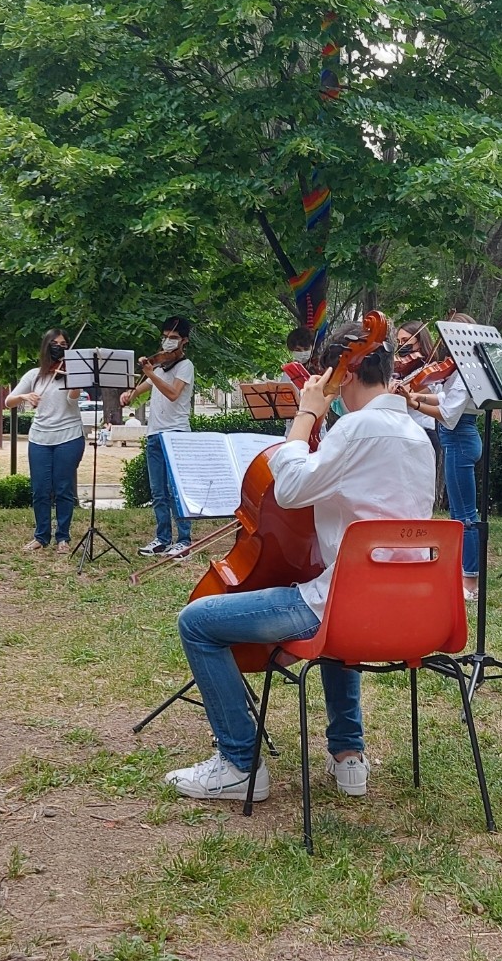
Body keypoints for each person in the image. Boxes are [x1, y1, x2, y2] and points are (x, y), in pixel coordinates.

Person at [164, 319, 435, 803]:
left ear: (343, 374)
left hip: (347, 613)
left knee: (197, 622)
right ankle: (348, 756)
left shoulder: (356, 430)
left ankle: (239, 764)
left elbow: (288, 490)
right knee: (338, 593)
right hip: (412, 615)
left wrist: (307, 414)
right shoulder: (418, 437)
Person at [402, 312, 481, 601]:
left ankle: (470, 583)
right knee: (460, 514)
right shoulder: (462, 369)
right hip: (460, 437)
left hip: (459, 437)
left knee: (464, 516)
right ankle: (462, 573)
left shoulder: (466, 371)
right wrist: (417, 397)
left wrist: (416, 404)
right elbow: (445, 399)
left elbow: (448, 415)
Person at [6, 328, 85, 555]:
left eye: (64, 344)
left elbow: (72, 402)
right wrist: (24, 396)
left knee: (63, 489)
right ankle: (41, 536)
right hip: (40, 437)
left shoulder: (72, 373)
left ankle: (63, 537)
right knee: (40, 489)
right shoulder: (34, 375)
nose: (60, 347)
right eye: (56, 343)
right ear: (47, 346)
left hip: (69, 436)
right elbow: (8, 401)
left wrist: (76, 381)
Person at [121, 316, 195, 559]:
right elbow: (142, 388)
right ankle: (162, 539)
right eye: (165, 337)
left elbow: (173, 393)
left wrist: (151, 374)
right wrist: (130, 394)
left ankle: (184, 540)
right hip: (154, 433)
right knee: (158, 492)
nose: (168, 342)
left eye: (173, 338)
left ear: (184, 340)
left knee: (176, 490)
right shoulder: (160, 367)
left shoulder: (185, 366)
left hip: (176, 434)